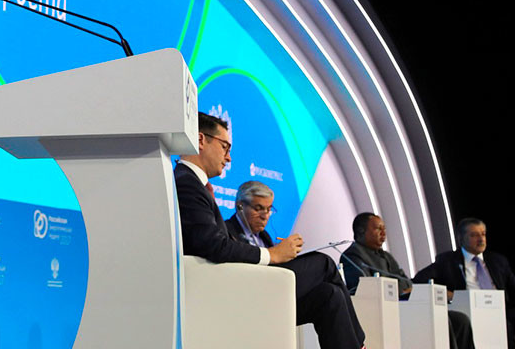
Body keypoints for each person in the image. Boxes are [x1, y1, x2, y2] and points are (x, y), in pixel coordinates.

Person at [175, 112, 365, 349]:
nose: (229, 158)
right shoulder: (187, 183)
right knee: (323, 264)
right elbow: (213, 245)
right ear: (201, 140)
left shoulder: (195, 185)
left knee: (329, 296)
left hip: (235, 281)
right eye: (225, 147)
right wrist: (272, 255)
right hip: (228, 290)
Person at [342, 213, 474, 349]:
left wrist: (401, 289)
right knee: (441, 320)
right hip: (383, 312)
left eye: (384, 229)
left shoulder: (385, 255)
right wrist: (401, 290)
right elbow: (365, 288)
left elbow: (406, 281)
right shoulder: (352, 255)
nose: (383, 233)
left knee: (460, 320)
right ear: (361, 231)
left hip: (404, 306)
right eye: (378, 229)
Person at [414, 217, 515, 348]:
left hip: (499, 313)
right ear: (461, 239)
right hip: (468, 312)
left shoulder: (498, 261)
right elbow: (419, 280)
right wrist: (448, 294)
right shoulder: (447, 261)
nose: (481, 239)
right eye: (474, 235)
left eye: (483, 234)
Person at [224, 179, 276, 250]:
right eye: (258, 209)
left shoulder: (265, 237)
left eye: (269, 210)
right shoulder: (224, 233)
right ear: (240, 206)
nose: (265, 216)